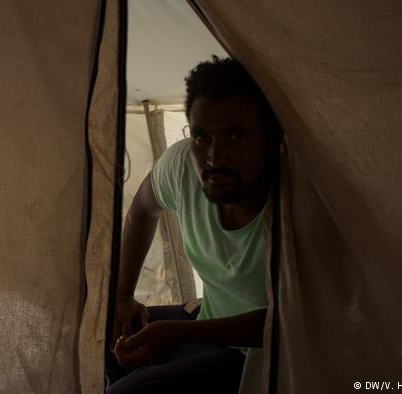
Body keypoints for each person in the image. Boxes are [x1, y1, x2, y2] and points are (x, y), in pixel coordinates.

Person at [107, 56, 282, 394]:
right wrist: (123, 295)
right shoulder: (184, 165)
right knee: (100, 329)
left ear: (269, 137)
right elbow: (142, 209)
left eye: (236, 135)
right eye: (202, 137)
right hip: (206, 322)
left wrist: (176, 332)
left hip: (260, 354)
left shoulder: (300, 206)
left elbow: (294, 323)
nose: (216, 156)